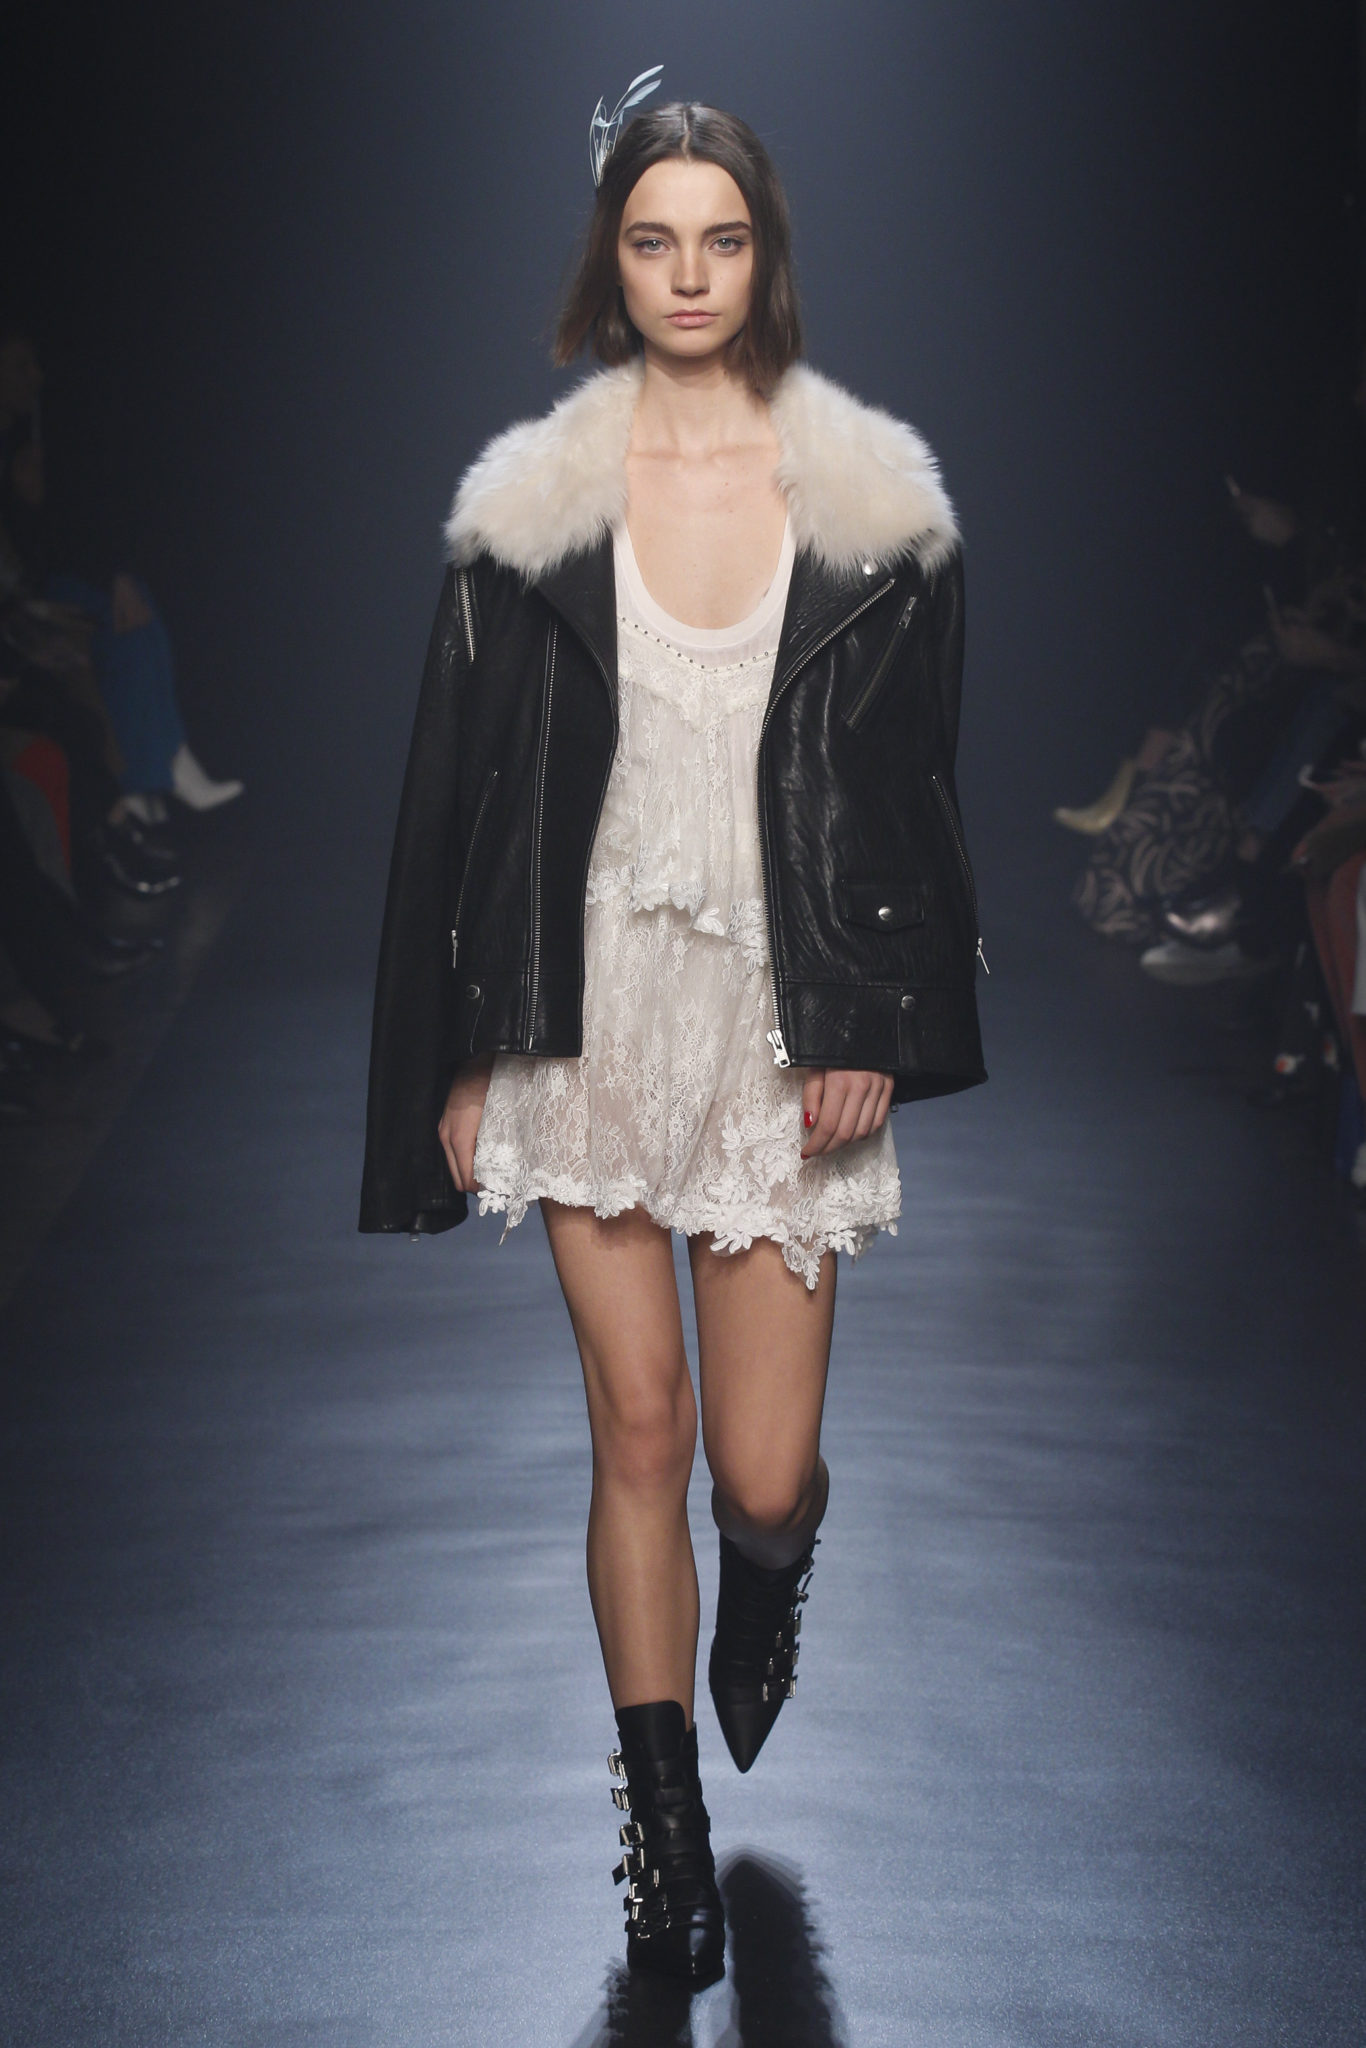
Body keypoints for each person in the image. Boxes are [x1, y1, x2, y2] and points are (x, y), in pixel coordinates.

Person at [360, 93, 985, 1987]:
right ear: (610, 260)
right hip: (588, 1013)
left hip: (788, 1027)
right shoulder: (528, 514)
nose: (689, 276)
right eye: (654, 242)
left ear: (762, 254)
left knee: (759, 1473)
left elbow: (911, 795)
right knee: (639, 1423)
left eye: (720, 240)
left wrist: (868, 1013)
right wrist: (464, 1053)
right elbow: (458, 806)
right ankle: (663, 1842)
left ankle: (770, 1574)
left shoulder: (874, 509)